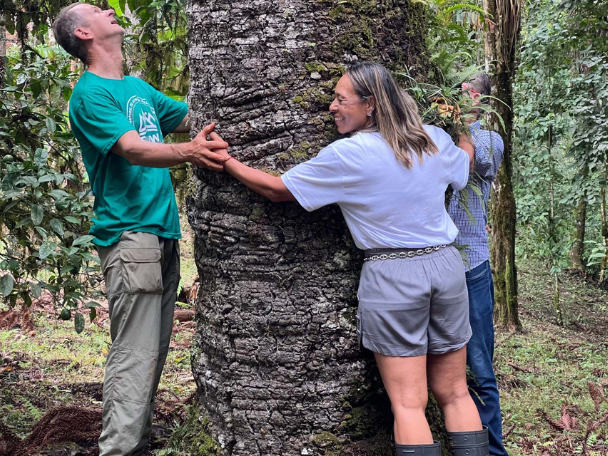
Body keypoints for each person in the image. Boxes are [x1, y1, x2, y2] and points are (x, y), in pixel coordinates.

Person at [212, 61, 489, 456]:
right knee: (457, 393)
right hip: (446, 267)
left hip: (394, 275)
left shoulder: (350, 154)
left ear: (371, 104)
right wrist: (460, 120)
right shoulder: (432, 140)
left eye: (341, 99)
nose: (331, 107)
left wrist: (227, 161)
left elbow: (277, 189)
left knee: (409, 404)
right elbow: (466, 157)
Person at [52, 4, 228, 454]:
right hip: (131, 236)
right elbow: (133, 149)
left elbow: (189, 115)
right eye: (97, 9)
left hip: (162, 234)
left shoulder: (136, 88)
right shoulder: (89, 95)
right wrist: (191, 151)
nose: (111, 9)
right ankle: (119, 450)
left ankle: (136, 442)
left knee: (154, 350)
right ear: (83, 32)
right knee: (136, 351)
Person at [448, 74, 508, 456]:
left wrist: (459, 125)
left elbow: (478, 165)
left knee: (480, 364)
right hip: (432, 263)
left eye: (470, 92)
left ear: (481, 100)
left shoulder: (489, 138)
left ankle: (495, 451)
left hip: (471, 263)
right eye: (458, 91)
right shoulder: (436, 132)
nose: (462, 97)